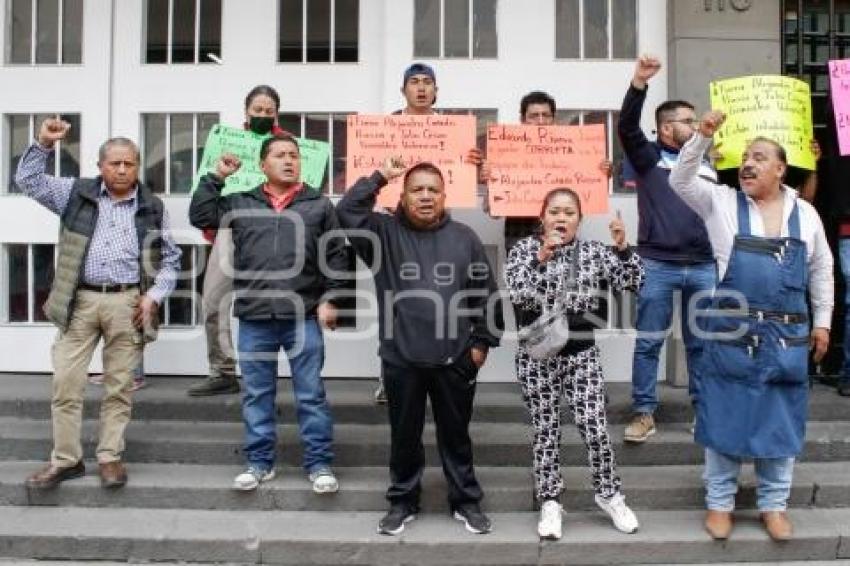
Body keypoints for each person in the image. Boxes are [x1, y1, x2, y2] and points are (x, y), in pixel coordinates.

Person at [669, 111, 833, 541]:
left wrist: (824, 324)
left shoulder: (807, 214)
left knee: (781, 419)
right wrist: (702, 137)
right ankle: (719, 504)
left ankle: (774, 505)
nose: (747, 163)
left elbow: (822, 271)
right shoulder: (721, 203)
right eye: (744, 157)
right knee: (724, 416)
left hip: (787, 339)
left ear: (780, 168)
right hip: (732, 337)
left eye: (759, 157)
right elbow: (680, 181)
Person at [336, 158, 503, 536]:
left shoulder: (464, 237)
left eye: (433, 189)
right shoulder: (381, 234)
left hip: (456, 358)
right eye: (417, 189)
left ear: (445, 195)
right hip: (401, 358)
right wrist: (379, 176)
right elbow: (346, 211)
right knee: (404, 435)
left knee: (456, 435)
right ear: (404, 195)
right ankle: (402, 502)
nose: (425, 196)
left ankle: (466, 502)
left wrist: (481, 344)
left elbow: (486, 295)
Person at [16, 117, 181, 489]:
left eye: (129, 164)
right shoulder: (75, 193)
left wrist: (154, 296)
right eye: (114, 163)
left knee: (119, 386)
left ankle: (110, 457)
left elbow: (171, 260)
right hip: (80, 301)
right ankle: (66, 460)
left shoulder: (152, 206)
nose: (122, 170)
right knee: (66, 384)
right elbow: (27, 182)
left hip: (128, 303)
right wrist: (43, 144)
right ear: (100, 166)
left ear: (138, 167)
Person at [189, 134, 348, 493]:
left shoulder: (318, 205)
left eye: (293, 155)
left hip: (303, 316)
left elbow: (337, 255)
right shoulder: (240, 202)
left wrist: (331, 298)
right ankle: (260, 463)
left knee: (310, 394)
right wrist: (217, 177)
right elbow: (200, 214)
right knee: (257, 394)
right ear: (263, 165)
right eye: (279, 155)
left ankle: (319, 464)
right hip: (255, 317)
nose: (289, 160)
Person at [505, 188, 643, 540]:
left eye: (569, 212)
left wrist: (624, 248)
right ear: (542, 217)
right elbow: (520, 293)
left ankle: (609, 494)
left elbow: (635, 281)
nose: (561, 218)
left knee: (594, 428)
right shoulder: (523, 250)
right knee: (545, 430)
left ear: (579, 219)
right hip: (537, 357)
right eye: (554, 211)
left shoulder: (595, 252)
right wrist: (542, 255)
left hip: (581, 356)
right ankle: (550, 501)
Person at [618, 55, 718, 443]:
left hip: (705, 266)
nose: (695, 126)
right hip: (657, 263)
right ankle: (644, 413)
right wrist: (639, 83)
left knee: (703, 344)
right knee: (649, 343)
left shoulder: (708, 161)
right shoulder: (648, 157)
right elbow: (626, 126)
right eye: (687, 121)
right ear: (665, 127)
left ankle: (705, 413)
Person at [188, 85, 290, 397]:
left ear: (276, 113)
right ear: (246, 112)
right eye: (256, 110)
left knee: (285, 301)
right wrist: (219, 176)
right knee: (214, 300)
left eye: (268, 110)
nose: (262, 114)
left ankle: (282, 370)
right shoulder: (226, 144)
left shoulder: (289, 146)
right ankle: (222, 370)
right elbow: (204, 202)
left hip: (273, 230)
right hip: (231, 228)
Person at [481, 91, 612, 252]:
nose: (541, 121)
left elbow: (584, 199)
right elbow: (493, 213)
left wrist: (600, 175)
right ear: (522, 120)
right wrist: (491, 181)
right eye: (534, 116)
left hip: (562, 237)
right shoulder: (505, 153)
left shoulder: (573, 152)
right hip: (519, 238)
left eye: (546, 115)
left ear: (553, 119)